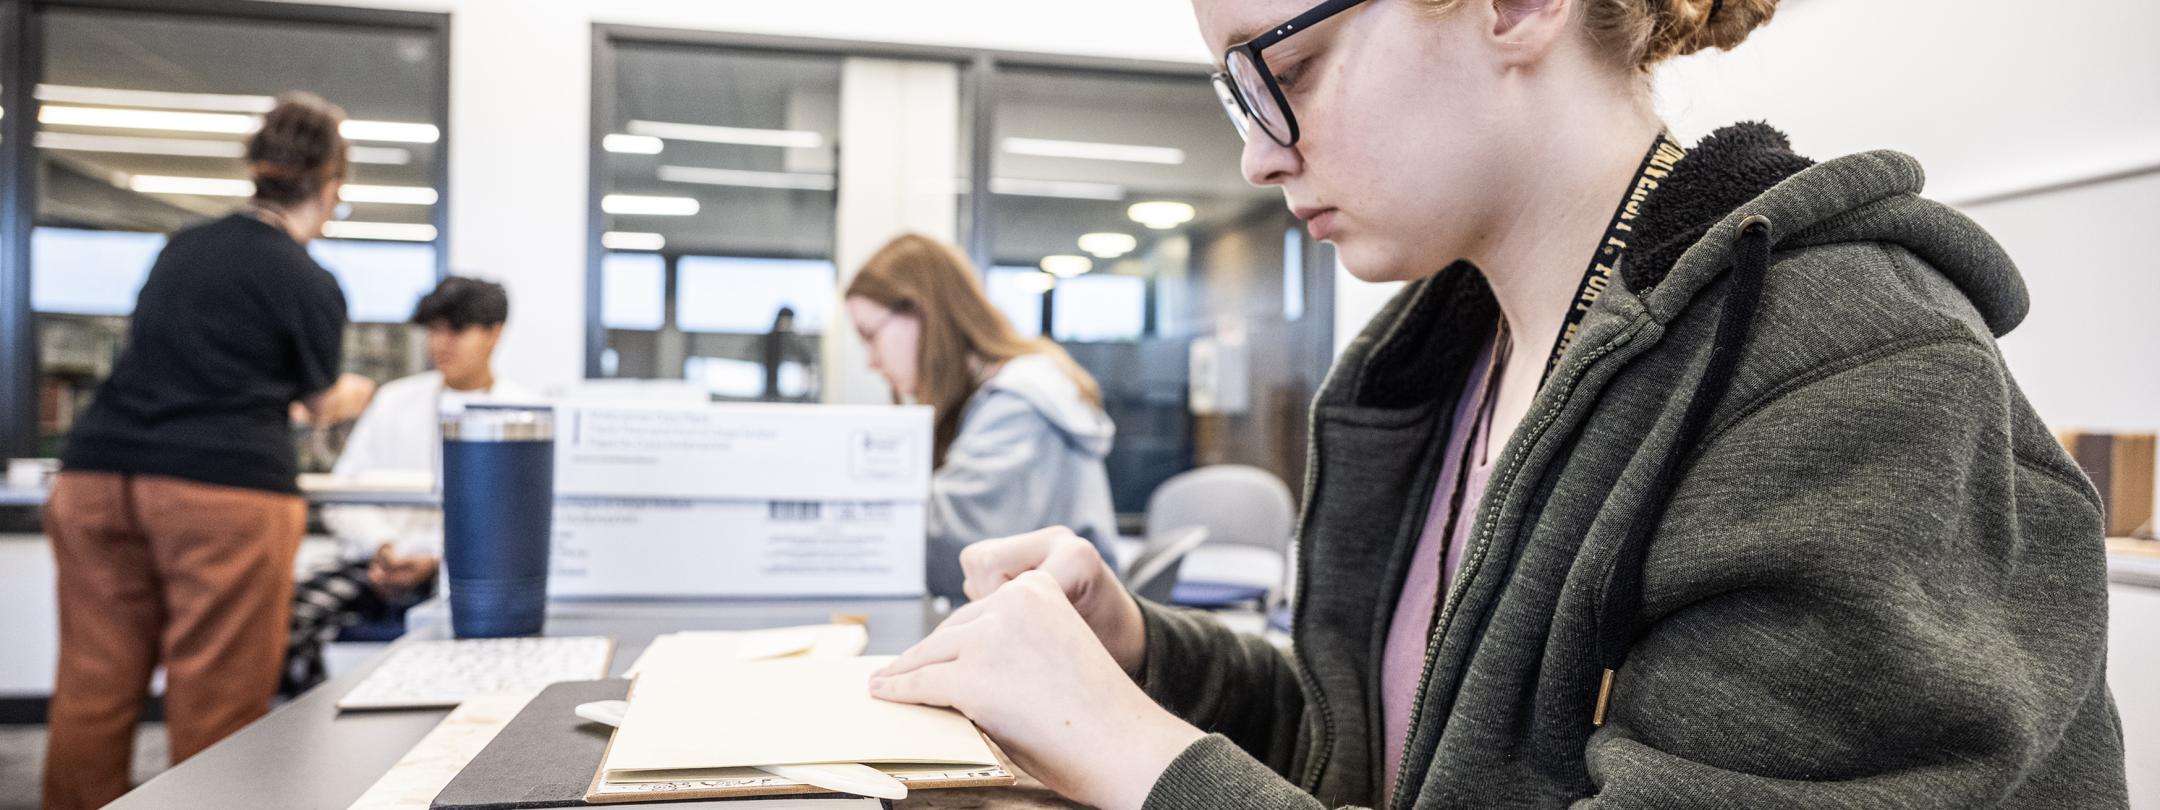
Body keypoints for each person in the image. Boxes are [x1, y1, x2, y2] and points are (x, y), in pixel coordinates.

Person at [866, 1, 2127, 808]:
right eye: (1233, 91)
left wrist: (1139, 757)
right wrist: (1145, 660)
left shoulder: (1848, 371)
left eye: (1286, 65)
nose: (1257, 150)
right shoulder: (1437, 365)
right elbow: (1379, 758)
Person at [42, 93, 375, 810]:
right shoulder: (307, 279)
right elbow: (317, 402)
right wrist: (359, 392)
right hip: (223, 492)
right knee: (216, 697)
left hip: (97, 474)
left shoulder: (182, 248)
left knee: (92, 687)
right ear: (332, 185)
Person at [282, 276, 536, 695]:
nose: (441, 343)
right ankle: (306, 732)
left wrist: (435, 558)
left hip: (468, 573)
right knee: (285, 618)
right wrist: (382, 547)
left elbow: (517, 520)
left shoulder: (524, 412)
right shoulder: (395, 401)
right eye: (434, 330)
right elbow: (345, 495)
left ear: (494, 333)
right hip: (378, 563)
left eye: (456, 329)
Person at [843, 234, 1121, 601]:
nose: (871, 362)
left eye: (869, 335)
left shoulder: (1018, 407)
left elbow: (952, 548)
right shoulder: (995, 397)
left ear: (921, 311)